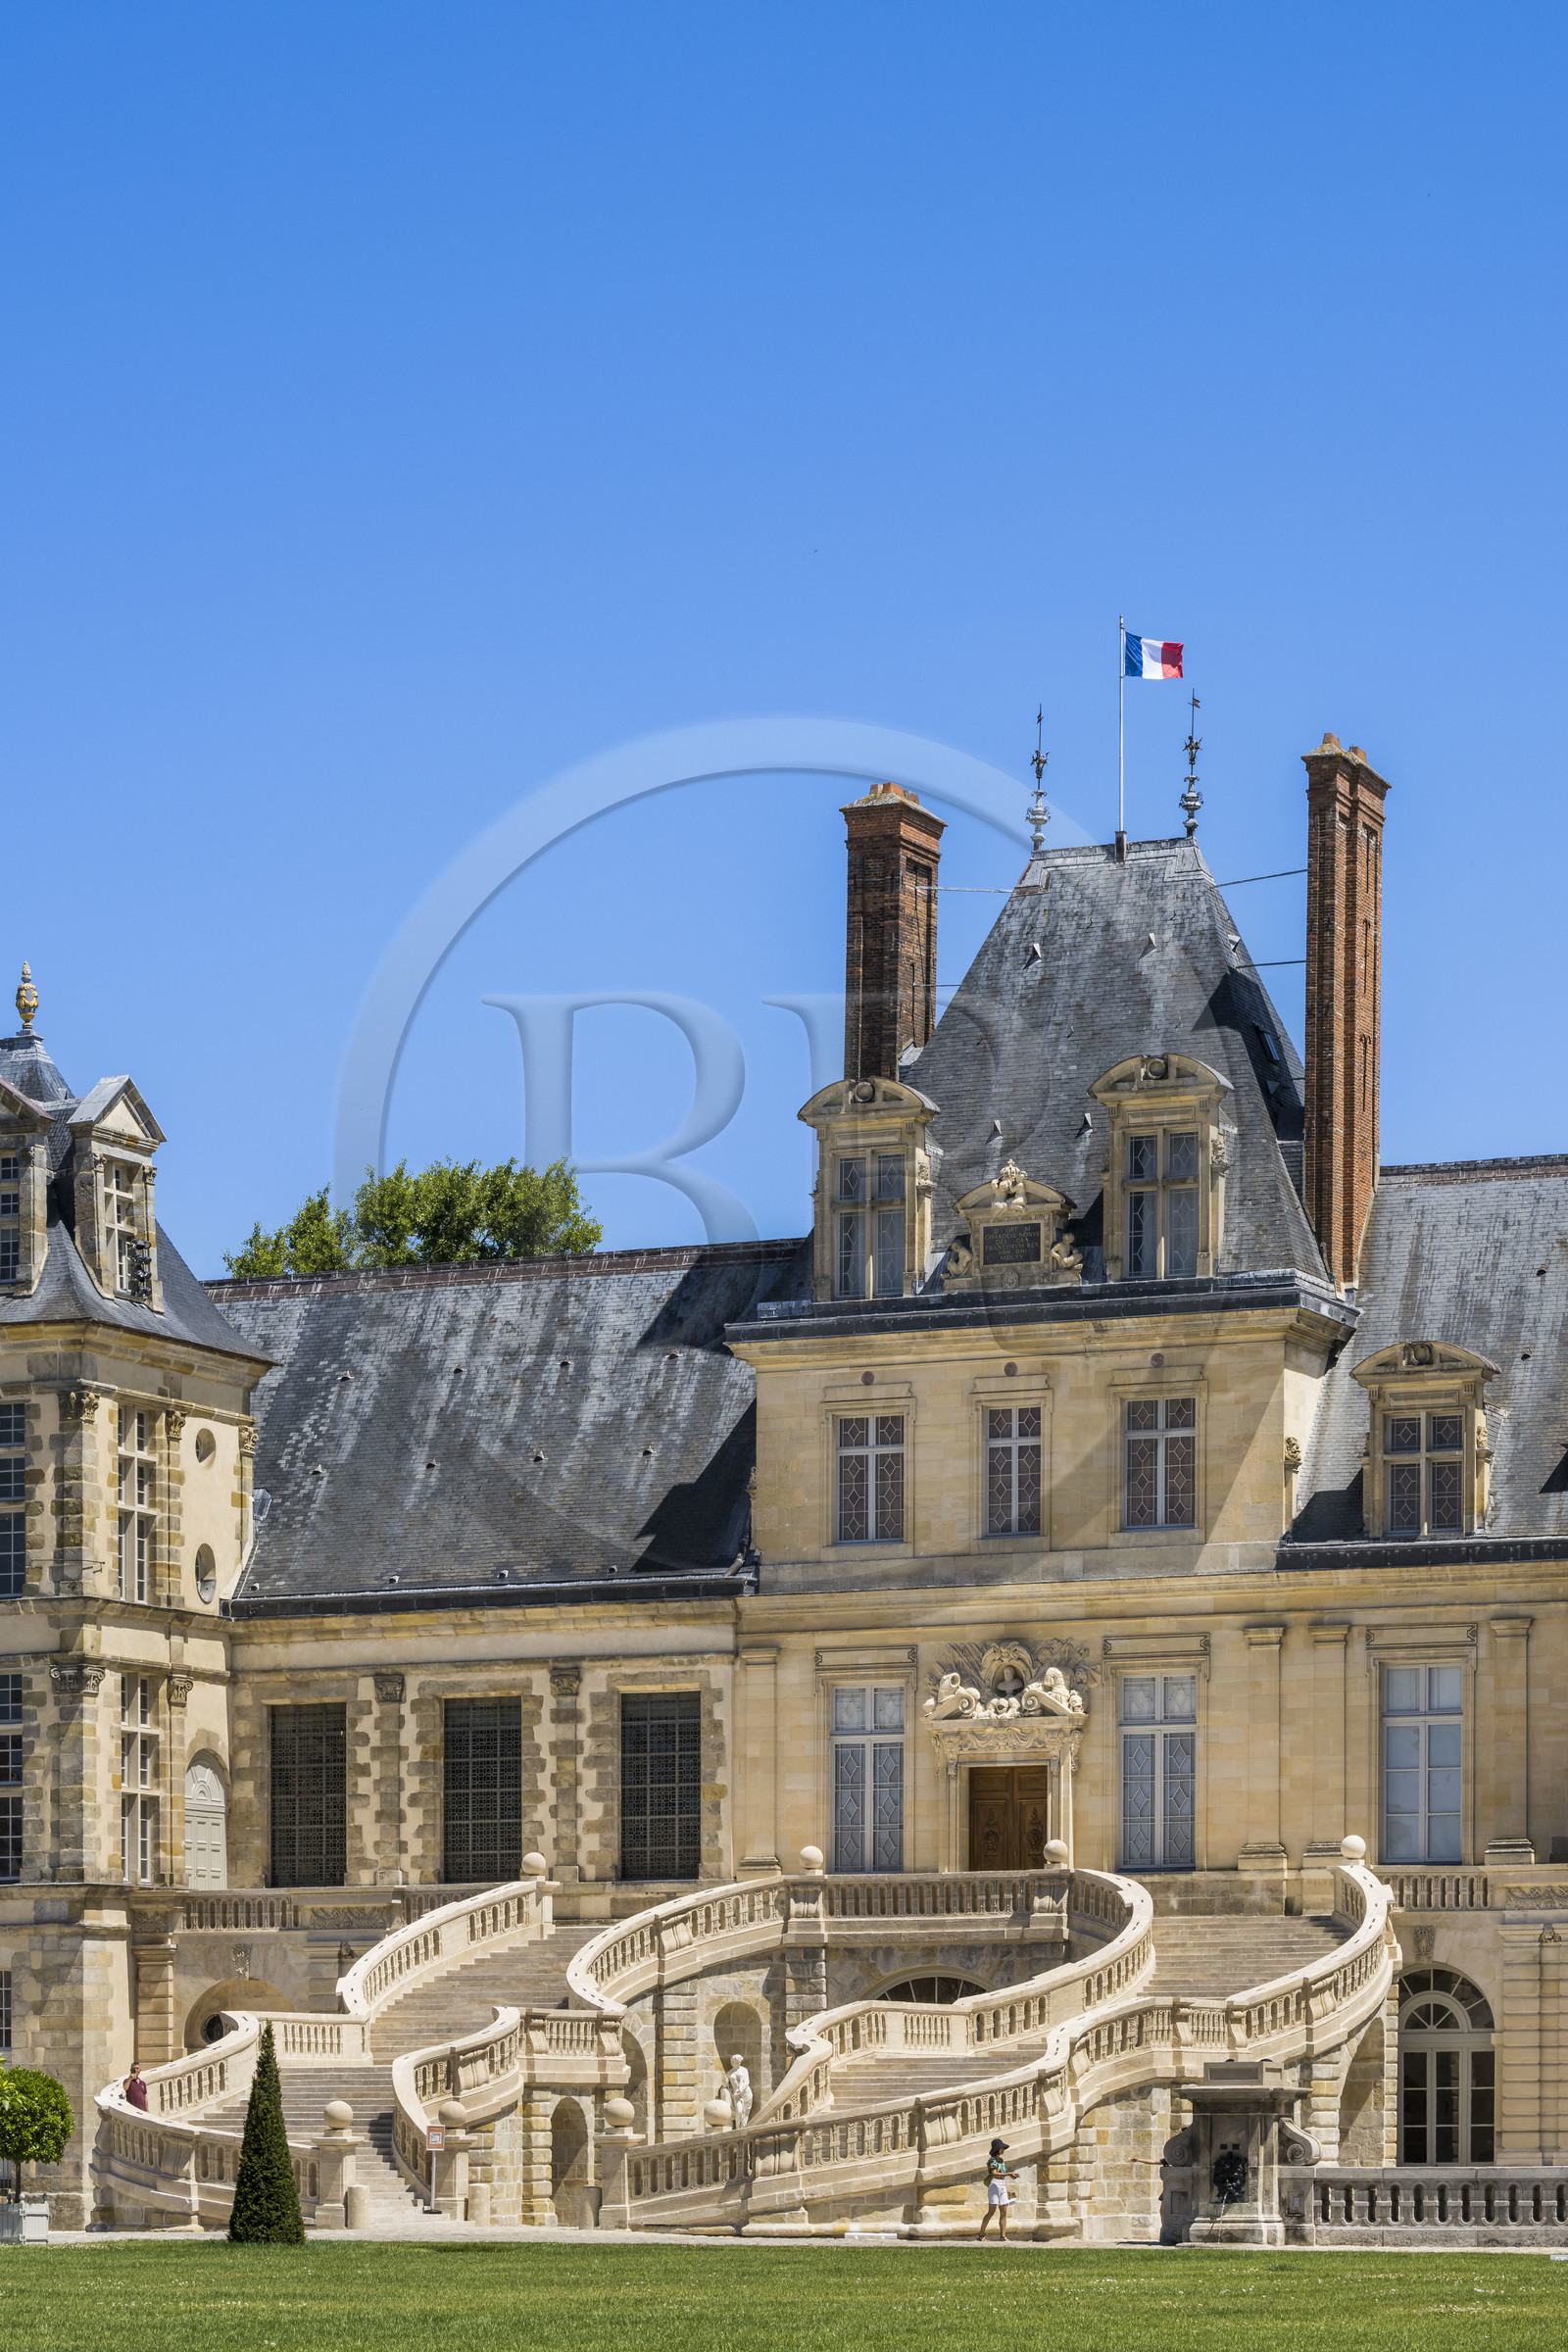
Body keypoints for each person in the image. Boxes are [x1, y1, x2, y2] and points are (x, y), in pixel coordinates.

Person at [977, 2135, 1012, 2241]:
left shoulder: (1001, 2160)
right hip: (994, 2184)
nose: (1003, 2150)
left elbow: (1002, 2176)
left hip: (1001, 2184)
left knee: (1004, 2211)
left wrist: (1006, 2189)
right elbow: (994, 2173)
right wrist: (1009, 2173)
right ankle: (981, 2234)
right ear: (998, 2149)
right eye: (1002, 2148)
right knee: (991, 2211)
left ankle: (1003, 2236)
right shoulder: (992, 2160)